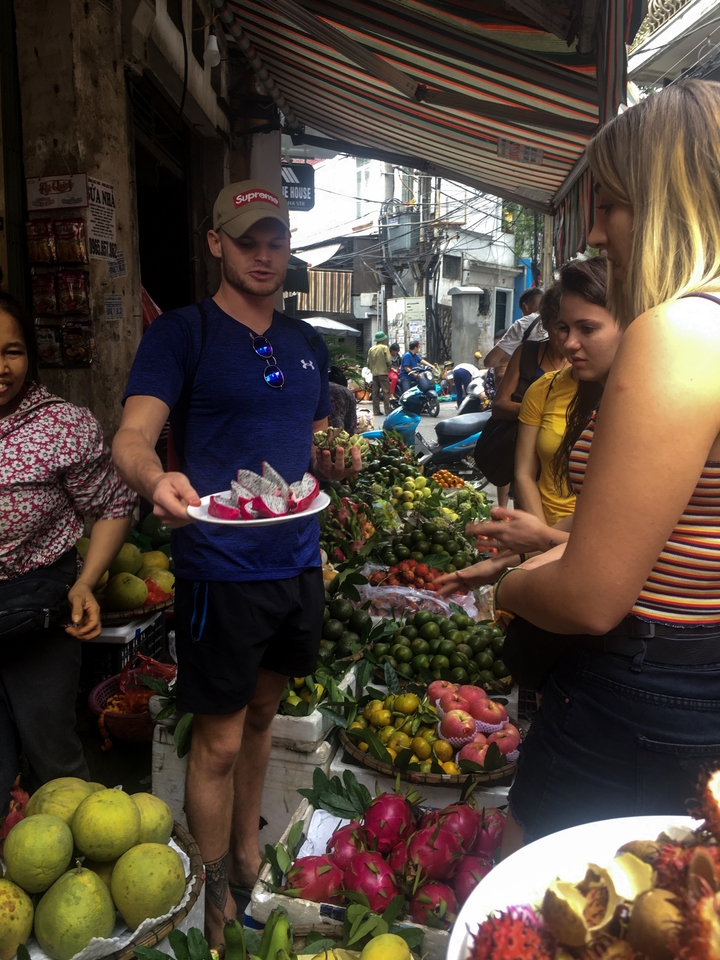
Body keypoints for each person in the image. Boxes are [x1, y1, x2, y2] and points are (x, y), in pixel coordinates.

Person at [112, 180, 361, 947]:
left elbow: (315, 447)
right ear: (215, 242)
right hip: (218, 568)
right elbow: (129, 438)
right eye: (246, 239)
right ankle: (215, 897)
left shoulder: (304, 343)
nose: (262, 253)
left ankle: (250, 851)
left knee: (262, 716)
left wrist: (339, 472)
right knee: (217, 739)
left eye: (275, 240)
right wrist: (158, 479)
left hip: (297, 563)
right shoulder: (182, 335)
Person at [488, 80, 720, 853]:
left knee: (541, 905)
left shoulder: (681, 332)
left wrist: (510, 589)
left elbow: (591, 597)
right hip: (692, 684)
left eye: (612, 203)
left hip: (642, 687)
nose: (595, 230)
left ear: (667, 203)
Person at [0, 292, 135, 812]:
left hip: (40, 614)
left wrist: (85, 581)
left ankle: (81, 862)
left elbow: (114, 503)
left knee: (52, 756)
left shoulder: (63, 427)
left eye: (12, 350)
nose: (2, 367)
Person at [483, 287, 543, 369]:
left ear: (525, 307)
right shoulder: (557, 320)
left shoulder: (524, 323)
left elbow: (490, 361)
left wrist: (515, 355)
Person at [366, 331, 392, 416]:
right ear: (383, 340)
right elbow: (388, 360)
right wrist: (389, 366)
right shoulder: (385, 348)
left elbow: (368, 363)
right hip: (383, 373)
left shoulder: (371, 349)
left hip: (375, 374)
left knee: (375, 393)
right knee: (386, 392)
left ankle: (376, 411)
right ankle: (387, 411)